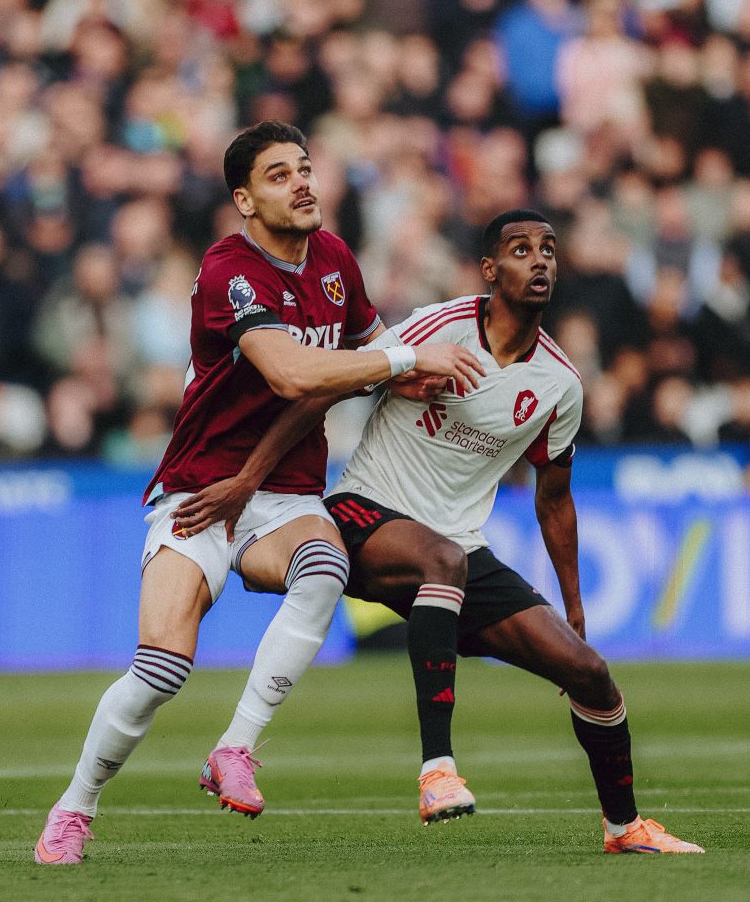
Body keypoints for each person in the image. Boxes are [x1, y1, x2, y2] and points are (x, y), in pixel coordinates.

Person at [173, 209, 705, 853]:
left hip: (455, 550)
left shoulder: (560, 382)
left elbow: (555, 501)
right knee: (442, 560)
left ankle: (624, 828)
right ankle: (437, 772)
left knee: (589, 673)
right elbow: (324, 390)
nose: (538, 260)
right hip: (362, 513)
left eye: (548, 250)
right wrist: (248, 481)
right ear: (490, 269)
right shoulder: (441, 325)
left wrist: (574, 610)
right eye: (520, 249)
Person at [33, 120, 482, 865]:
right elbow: (295, 374)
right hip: (200, 493)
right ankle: (74, 807)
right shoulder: (228, 272)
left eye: (304, 168)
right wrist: (402, 354)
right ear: (244, 199)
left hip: (286, 492)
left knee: (325, 567)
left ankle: (234, 748)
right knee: (159, 672)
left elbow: (369, 357)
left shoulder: (334, 257)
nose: (302, 182)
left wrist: (422, 372)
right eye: (278, 175)